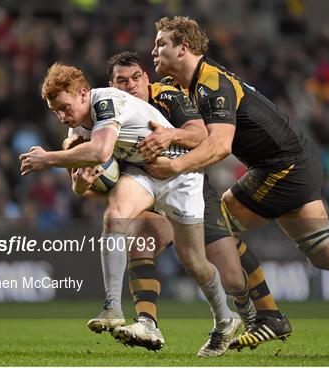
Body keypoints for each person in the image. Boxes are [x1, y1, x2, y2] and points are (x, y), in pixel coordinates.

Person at [143, 16, 329, 356]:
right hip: (297, 162)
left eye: (161, 43)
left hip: (284, 168)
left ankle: (268, 315)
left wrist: (174, 166)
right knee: (325, 252)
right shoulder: (192, 85)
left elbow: (219, 146)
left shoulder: (211, 82)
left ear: (184, 47)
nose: (154, 50)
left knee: (217, 226)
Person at [67, 51, 291, 352]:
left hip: (188, 185)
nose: (131, 86)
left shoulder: (167, 96)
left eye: (136, 78)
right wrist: (84, 185)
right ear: (111, 85)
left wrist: (168, 137)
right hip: (145, 188)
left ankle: (247, 315)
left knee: (229, 275)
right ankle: (147, 323)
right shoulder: (101, 117)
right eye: (122, 81)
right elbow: (90, 185)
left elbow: (200, 135)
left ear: (146, 77)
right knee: (137, 239)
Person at [19, 63, 240, 357]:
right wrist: (82, 182)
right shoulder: (75, 132)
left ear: (83, 93)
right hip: (144, 172)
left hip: (180, 175)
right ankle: (112, 307)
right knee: (115, 216)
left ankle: (226, 319)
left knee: (194, 261)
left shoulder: (106, 101)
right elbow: (78, 188)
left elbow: (100, 153)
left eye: (64, 107)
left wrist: (47, 159)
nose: (61, 116)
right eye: (55, 111)